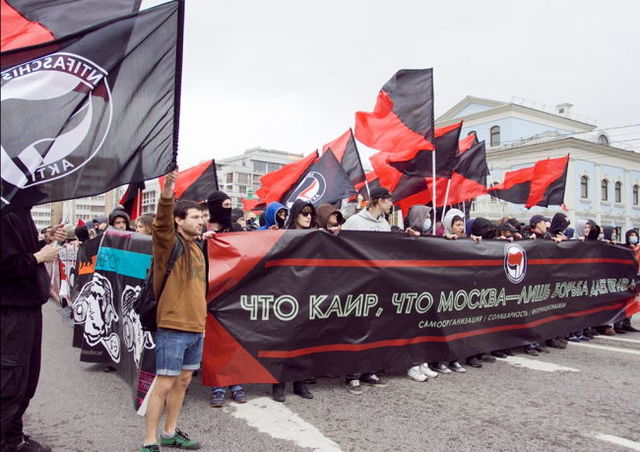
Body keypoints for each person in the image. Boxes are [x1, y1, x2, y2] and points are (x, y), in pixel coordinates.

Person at [141, 170, 206, 452]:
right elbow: (161, 222)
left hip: (196, 327)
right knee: (164, 384)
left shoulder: (197, 248)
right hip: (173, 326)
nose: (201, 221)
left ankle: (169, 432)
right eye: (195, 217)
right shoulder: (169, 243)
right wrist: (168, 189)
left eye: (202, 217)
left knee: (183, 382)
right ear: (179, 220)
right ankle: (149, 441)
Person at [1, 210, 67, 452]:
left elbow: (18, 250)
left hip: (27, 308)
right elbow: (7, 263)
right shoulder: (5, 210)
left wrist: (44, 241)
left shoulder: (20, 209)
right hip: (11, 311)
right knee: (10, 381)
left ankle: (13, 439)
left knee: (26, 381)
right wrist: (38, 256)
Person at [341, 187, 392, 394]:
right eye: (389, 200)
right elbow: (342, 248)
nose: (392, 204)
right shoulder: (355, 222)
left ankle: (368, 371)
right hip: (358, 283)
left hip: (378, 283)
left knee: (374, 326)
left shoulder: (385, 225)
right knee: (356, 328)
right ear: (380, 201)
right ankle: (351, 375)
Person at [204, 192, 249, 407]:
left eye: (230, 205)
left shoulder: (236, 231)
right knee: (215, 343)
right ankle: (218, 386)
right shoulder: (203, 231)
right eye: (224, 205)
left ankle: (236, 383)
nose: (228, 209)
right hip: (211, 293)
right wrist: (204, 242)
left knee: (234, 341)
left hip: (233, 292)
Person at [271, 200, 317, 402]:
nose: (308, 217)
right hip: (286, 294)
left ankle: (300, 383)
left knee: (304, 340)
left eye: (310, 213)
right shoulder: (283, 236)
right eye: (304, 213)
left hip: (308, 294)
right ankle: (278, 384)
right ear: (295, 214)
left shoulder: (316, 236)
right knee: (283, 340)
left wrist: (335, 233)